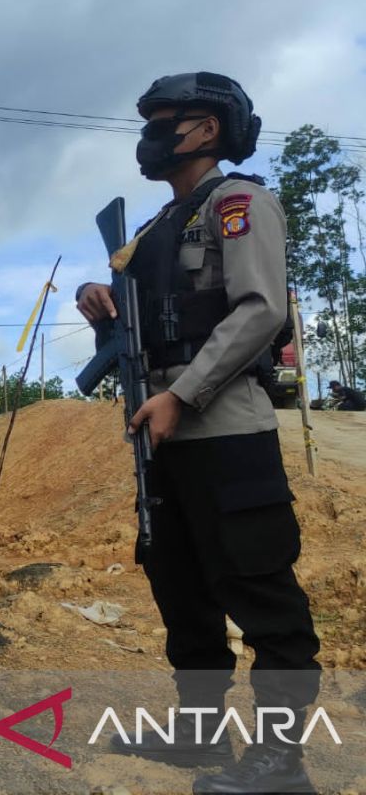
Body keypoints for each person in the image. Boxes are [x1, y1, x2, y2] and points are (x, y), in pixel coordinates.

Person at [76, 72, 320, 794]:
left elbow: (257, 311)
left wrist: (181, 394)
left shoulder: (239, 203)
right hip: (163, 434)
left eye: (165, 122)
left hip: (225, 431)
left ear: (206, 129)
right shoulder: (152, 231)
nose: (150, 137)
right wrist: (106, 317)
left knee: (259, 586)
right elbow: (159, 327)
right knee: (180, 585)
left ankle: (282, 762)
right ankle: (200, 734)